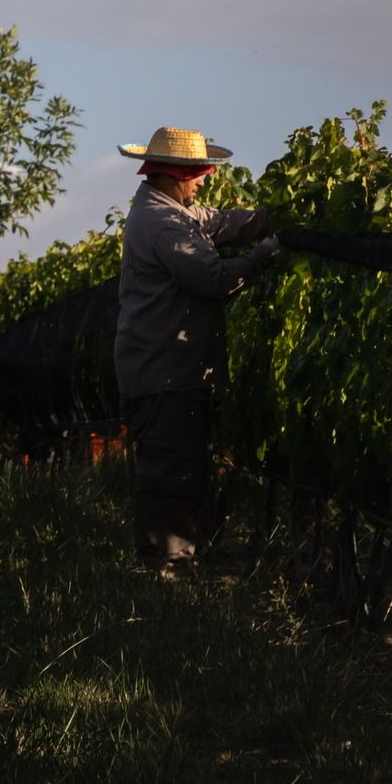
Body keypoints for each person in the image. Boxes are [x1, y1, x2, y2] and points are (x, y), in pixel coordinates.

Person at [112, 126, 281, 579]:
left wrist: (265, 218)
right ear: (174, 174)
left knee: (179, 467)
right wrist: (266, 253)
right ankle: (166, 573)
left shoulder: (165, 209)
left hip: (168, 371)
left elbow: (216, 221)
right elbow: (214, 280)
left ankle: (174, 565)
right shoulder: (163, 223)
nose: (203, 181)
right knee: (170, 473)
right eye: (198, 174)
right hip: (163, 373)